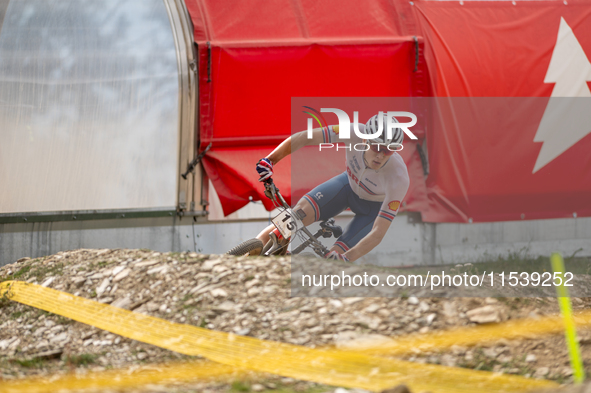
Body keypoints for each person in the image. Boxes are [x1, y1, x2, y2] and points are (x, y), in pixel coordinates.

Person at [255, 113, 410, 262]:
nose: (381, 155)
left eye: (389, 150)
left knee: (334, 258)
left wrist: (347, 258)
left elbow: (378, 232)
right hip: (347, 186)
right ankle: (243, 256)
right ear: (365, 139)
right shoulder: (352, 132)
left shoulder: (399, 178)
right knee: (293, 217)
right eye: (377, 147)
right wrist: (270, 160)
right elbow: (305, 137)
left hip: (370, 211)